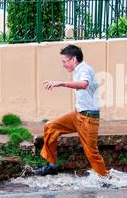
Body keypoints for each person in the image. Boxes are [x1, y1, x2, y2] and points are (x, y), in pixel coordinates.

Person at [34, 44, 110, 179]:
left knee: (92, 153)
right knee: (50, 127)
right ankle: (51, 166)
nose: (63, 65)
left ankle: (106, 179)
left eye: (64, 61)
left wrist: (61, 83)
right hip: (77, 114)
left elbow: (84, 84)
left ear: (73, 59)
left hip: (88, 119)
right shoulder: (77, 70)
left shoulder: (84, 69)